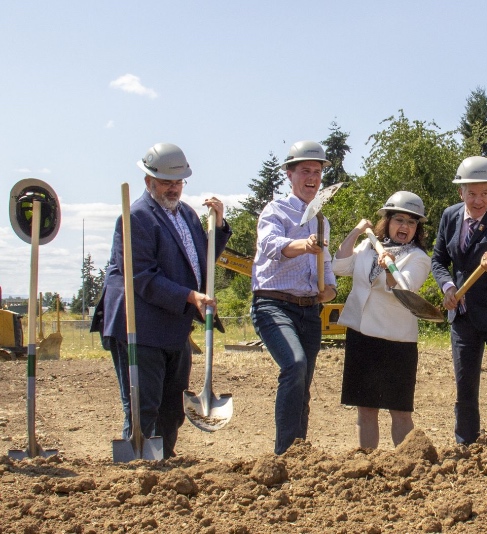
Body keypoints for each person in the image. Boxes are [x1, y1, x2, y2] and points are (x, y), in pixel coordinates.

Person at [93, 142, 231, 458]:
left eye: (178, 182)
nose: (173, 189)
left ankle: (164, 463)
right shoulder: (137, 218)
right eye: (166, 182)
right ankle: (139, 471)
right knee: (145, 405)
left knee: (173, 406)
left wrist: (218, 225)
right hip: (138, 323)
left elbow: (200, 260)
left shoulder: (186, 214)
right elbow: (140, 276)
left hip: (173, 323)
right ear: (149, 182)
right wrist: (188, 295)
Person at [250, 140, 338, 455]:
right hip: (273, 304)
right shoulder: (275, 210)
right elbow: (271, 246)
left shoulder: (321, 221)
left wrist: (327, 291)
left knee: (303, 386)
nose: (312, 177)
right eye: (305, 171)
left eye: (317, 171)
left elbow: (328, 280)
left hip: (308, 312)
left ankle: (299, 454)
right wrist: (305, 245)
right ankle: (284, 452)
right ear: (290, 174)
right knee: (295, 364)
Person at [431, 155, 487, 445]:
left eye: (485, 193)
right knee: (464, 385)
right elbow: (439, 260)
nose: (478, 200)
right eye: (472, 193)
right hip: (464, 315)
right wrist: (447, 287)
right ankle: (465, 444)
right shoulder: (450, 217)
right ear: (461, 192)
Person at [332, 191, 432, 448]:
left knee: (399, 411)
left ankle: (407, 465)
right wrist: (356, 231)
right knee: (366, 409)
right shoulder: (368, 245)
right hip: (361, 335)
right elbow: (340, 266)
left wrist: (390, 268)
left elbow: (404, 290)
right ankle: (368, 464)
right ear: (387, 221)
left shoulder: (419, 258)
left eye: (411, 223)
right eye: (399, 220)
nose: (405, 227)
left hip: (396, 341)